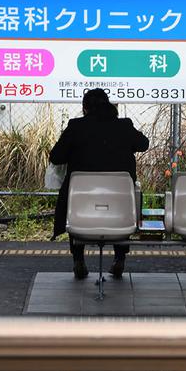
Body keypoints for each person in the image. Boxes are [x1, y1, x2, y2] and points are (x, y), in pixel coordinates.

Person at [49, 88, 149, 279]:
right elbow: (144, 144)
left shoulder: (76, 127)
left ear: (85, 108)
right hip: (119, 202)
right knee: (123, 201)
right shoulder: (124, 126)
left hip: (82, 203)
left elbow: (56, 156)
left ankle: (78, 259)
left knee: (74, 198)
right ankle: (119, 258)